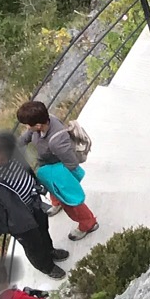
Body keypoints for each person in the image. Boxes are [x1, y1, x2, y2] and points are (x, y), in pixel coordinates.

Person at [0, 132, 68, 278]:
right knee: (32, 245)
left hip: (34, 202)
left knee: (43, 230)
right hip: (17, 220)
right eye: (0, 159)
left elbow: (25, 167)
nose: (5, 160)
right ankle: (46, 266)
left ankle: (50, 251)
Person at [16, 99, 98, 242]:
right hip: (48, 167)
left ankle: (88, 223)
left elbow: (71, 165)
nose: (27, 128)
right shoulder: (46, 121)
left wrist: (64, 187)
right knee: (52, 186)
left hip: (60, 173)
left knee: (72, 202)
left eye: (29, 125)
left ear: (38, 125)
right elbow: (28, 136)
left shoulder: (58, 141)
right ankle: (57, 202)